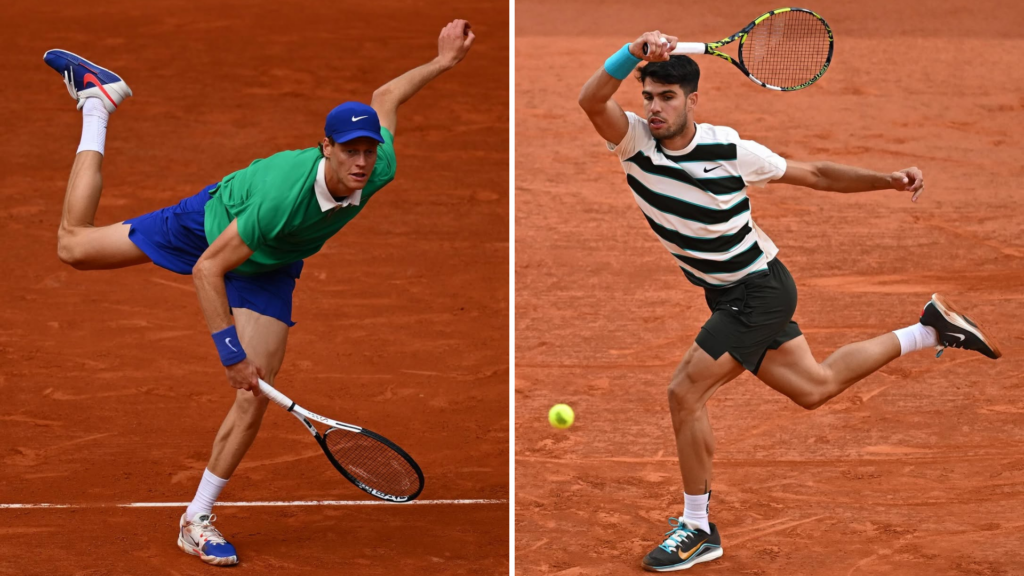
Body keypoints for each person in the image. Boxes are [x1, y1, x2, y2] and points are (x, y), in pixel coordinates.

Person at [42, 19, 475, 567]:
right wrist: (230, 353)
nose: (361, 162)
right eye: (349, 151)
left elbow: (385, 95)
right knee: (73, 248)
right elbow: (208, 270)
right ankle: (96, 104)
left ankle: (196, 517)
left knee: (256, 391)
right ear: (327, 149)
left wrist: (442, 62)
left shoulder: (379, 167)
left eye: (367, 149)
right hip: (214, 227)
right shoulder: (280, 199)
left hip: (272, 264)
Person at [578, 31, 1001, 572]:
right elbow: (591, 100)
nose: (656, 109)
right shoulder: (634, 142)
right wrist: (632, 53)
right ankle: (931, 330)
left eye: (668, 98)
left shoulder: (730, 150)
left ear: (692, 101)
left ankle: (698, 527)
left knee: (684, 393)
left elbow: (816, 174)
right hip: (729, 294)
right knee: (814, 387)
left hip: (758, 290)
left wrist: (886, 180)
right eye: (650, 98)